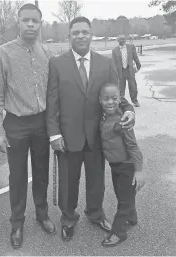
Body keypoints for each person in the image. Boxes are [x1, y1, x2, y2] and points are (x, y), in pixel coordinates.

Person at [46, 16, 136, 241]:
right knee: (68, 182)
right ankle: (68, 218)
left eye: (85, 32)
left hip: (98, 137)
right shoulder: (57, 63)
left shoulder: (105, 63)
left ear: (91, 35)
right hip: (67, 137)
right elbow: (52, 102)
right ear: (69, 36)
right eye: (75, 32)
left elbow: (116, 95)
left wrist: (129, 110)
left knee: (96, 181)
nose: (80, 36)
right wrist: (54, 133)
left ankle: (95, 214)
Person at [0, 4, 56, 249]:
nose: (30, 25)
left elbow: (54, 93)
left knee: (41, 172)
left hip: (41, 123)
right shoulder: (2, 54)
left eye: (34, 21)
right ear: (18, 22)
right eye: (25, 20)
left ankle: (42, 214)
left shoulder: (46, 54)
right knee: (17, 176)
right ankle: (17, 222)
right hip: (15, 123)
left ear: (40, 24)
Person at [99, 83, 145, 247]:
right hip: (115, 166)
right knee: (122, 195)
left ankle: (119, 232)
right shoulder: (103, 116)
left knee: (123, 201)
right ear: (100, 100)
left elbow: (133, 147)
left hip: (127, 167)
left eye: (114, 98)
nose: (110, 102)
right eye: (106, 99)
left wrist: (138, 171)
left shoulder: (123, 121)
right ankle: (131, 218)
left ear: (120, 99)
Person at [112, 34, 141, 107]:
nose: (122, 40)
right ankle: (121, 101)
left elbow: (135, 57)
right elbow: (113, 62)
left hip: (129, 70)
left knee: (133, 86)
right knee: (121, 87)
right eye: (120, 39)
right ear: (118, 41)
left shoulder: (131, 47)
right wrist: (114, 72)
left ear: (125, 40)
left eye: (123, 39)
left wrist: (138, 65)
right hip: (120, 71)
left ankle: (135, 101)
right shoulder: (115, 50)